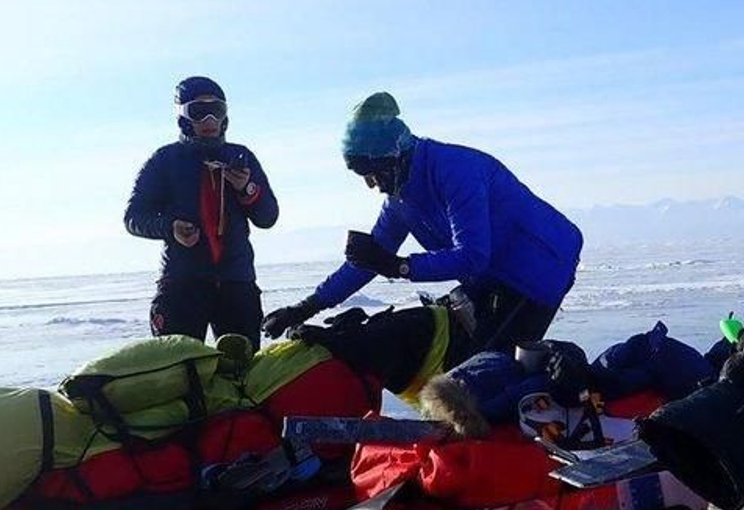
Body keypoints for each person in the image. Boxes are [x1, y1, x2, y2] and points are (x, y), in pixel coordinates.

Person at [262, 92, 582, 353]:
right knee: (446, 352)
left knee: (490, 367)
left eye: (372, 173)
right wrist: (306, 307)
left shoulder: (455, 171)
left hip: (538, 267)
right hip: (489, 276)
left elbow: (472, 255)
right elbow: (368, 262)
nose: (371, 184)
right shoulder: (400, 200)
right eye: (362, 176)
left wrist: (401, 267)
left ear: (394, 158)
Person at [125, 76, 279, 345]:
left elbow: (267, 217)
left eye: (216, 110)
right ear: (183, 117)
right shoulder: (164, 160)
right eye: (198, 111)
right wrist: (170, 227)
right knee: (179, 367)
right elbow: (133, 218)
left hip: (236, 284)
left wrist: (247, 190)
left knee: (241, 367)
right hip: (182, 284)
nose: (209, 119)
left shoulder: (241, 156)